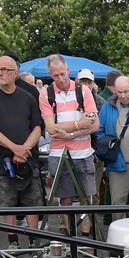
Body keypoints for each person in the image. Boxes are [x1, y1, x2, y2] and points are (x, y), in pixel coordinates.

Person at [0, 54, 44, 239]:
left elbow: (38, 127)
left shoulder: (29, 97)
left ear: (15, 73)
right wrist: (14, 148)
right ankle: (13, 241)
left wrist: (24, 149)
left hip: (28, 158)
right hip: (1, 159)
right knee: (7, 203)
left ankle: (34, 240)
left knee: (33, 202)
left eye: (5, 69)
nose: (0, 73)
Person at [38, 55, 98, 213]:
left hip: (83, 152)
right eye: (55, 75)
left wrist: (69, 134)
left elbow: (95, 124)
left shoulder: (83, 90)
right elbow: (51, 129)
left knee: (87, 197)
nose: (60, 79)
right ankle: (68, 232)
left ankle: (85, 234)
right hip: (58, 153)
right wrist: (80, 124)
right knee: (65, 198)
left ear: (68, 70)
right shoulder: (45, 94)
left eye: (62, 74)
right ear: (50, 74)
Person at [97, 75, 129, 208]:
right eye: (119, 92)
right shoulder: (107, 107)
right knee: (117, 204)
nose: (122, 95)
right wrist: (106, 145)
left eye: (125, 91)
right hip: (117, 163)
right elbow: (99, 130)